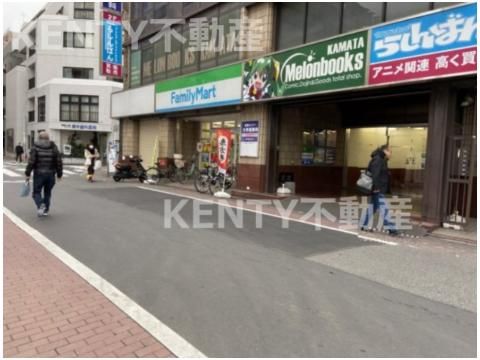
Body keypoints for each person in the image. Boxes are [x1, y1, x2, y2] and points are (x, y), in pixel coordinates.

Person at [360, 144, 399, 236]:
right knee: (384, 208)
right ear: (385, 151)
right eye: (390, 151)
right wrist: (377, 188)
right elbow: (375, 175)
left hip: (378, 188)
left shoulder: (381, 159)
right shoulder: (378, 160)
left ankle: (363, 224)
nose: (391, 154)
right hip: (378, 189)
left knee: (372, 208)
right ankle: (391, 228)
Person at [25, 132, 63, 217]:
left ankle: (40, 204)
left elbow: (31, 162)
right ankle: (45, 210)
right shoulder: (54, 147)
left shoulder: (35, 147)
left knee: (36, 192)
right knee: (47, 192)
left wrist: (27, 173)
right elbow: (59, 162)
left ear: (39, 138)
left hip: (39, 173)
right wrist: (59, 174)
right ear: (48, 138)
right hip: (51, 174)